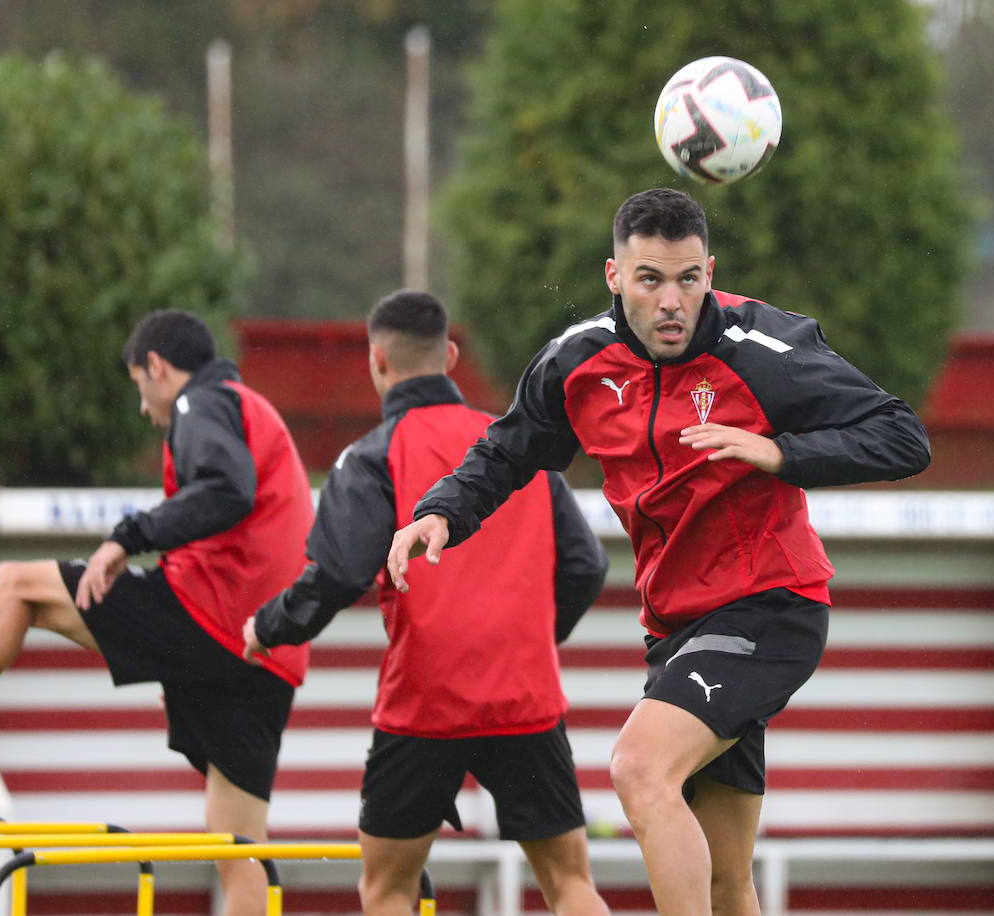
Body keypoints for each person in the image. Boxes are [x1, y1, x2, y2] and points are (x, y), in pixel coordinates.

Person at [386, 189, 932, 916]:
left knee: (640, 770)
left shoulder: (764, 349)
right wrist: (442, 511)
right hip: (677, 628)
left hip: (769, 605)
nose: (672, 301)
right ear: (614, 277)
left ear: (711, 270)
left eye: (688, 279)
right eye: (650, 280)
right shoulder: (575, 362)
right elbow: (509, 450)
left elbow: (902, 437)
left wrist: (779, 451)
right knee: (724, 882)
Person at [0, 309, 313, 916]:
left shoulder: (201, 403)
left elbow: (226, 489)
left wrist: (126, 538)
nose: (144, 409)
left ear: (157, 368)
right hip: (267, 657)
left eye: (139, 387)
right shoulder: (254, 412)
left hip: (213, 617)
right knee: (240, 852)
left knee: (14, 587)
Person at [243, 290, 613, 916]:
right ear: (449, 354)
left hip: (424, 705)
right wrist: (527, 642)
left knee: (388, 888)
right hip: (525, 698)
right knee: (570, 885)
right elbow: (586, 566)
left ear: (376, 361)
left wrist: (268, 627)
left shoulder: (369, 457)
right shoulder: (517, 450)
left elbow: (336, 573)